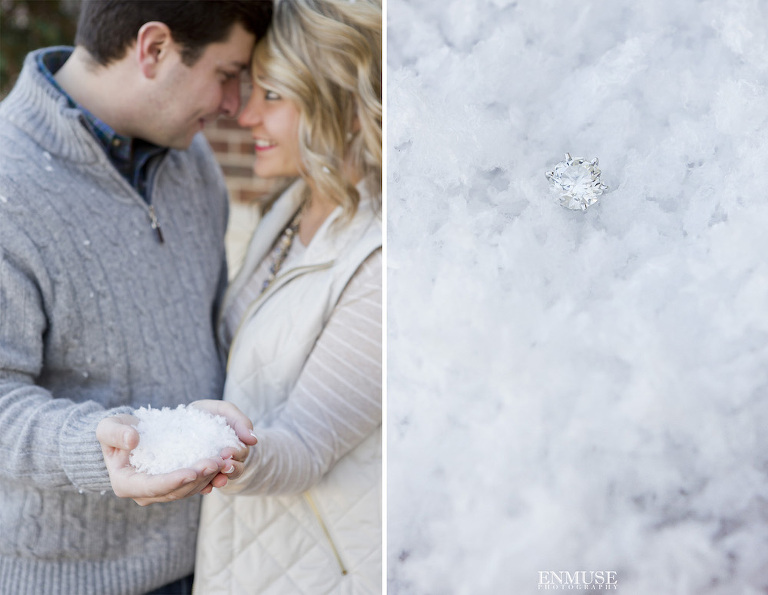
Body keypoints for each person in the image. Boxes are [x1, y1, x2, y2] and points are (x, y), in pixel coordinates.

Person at [0, 2, 272, 594]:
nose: (233, 104)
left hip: (203, 563)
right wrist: (100, 448)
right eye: (227, 74)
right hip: (62, 579)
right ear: (154, 49)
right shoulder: (8, 184)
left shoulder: (194, 164)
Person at [193, 0, 383, 592]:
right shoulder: (292, 205)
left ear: (345, 106)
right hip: (248, 556)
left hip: (322, 572)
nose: (246, 114)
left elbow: (307, 442)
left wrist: (232, 451)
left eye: (272, 95)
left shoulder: (386, 254)